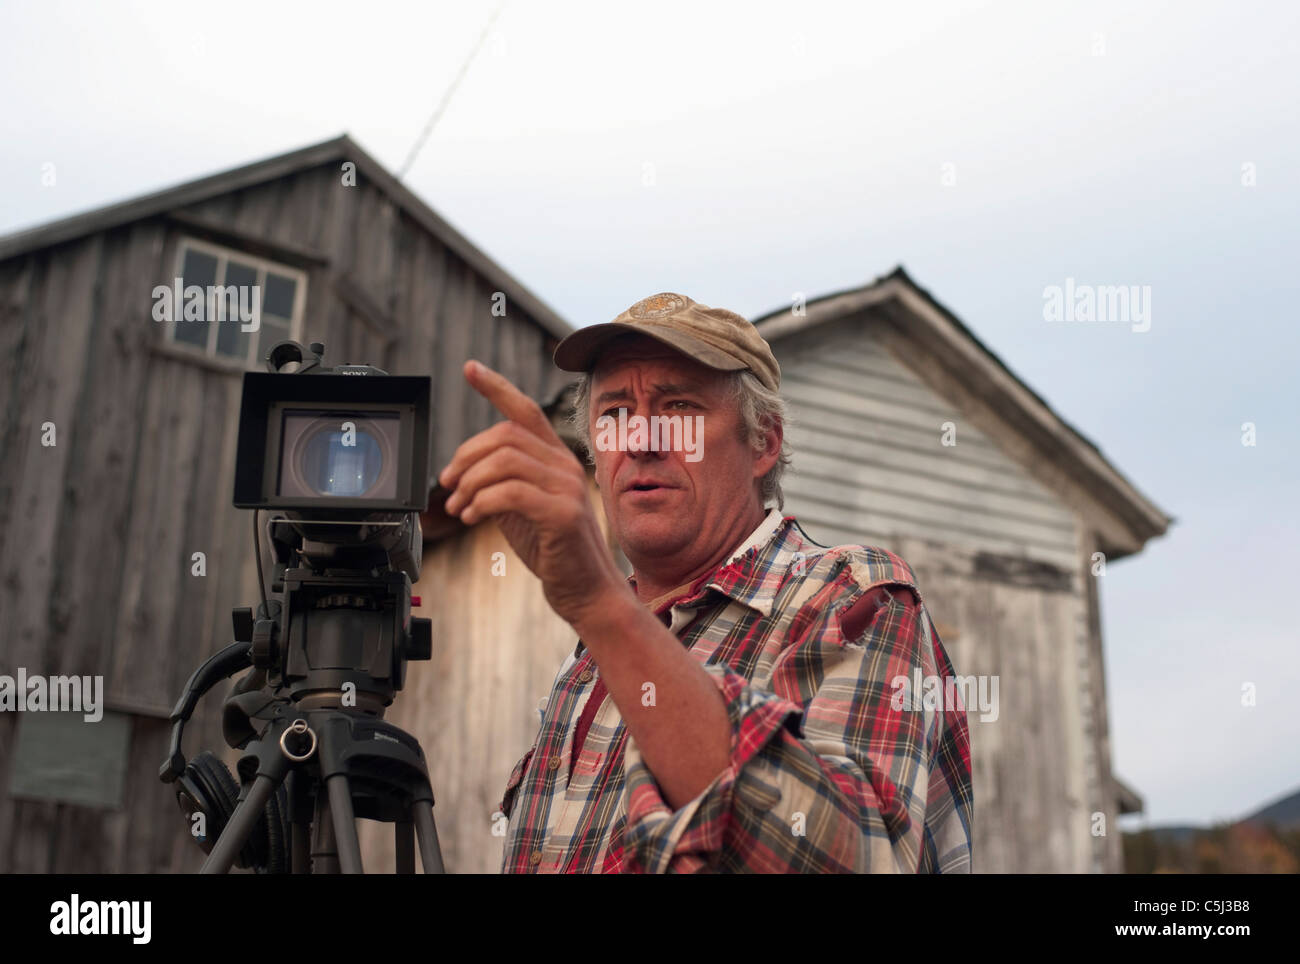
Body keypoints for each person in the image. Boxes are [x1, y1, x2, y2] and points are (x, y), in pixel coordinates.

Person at [437, 291, 972, 873]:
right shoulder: (592, 657)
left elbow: (843, 859)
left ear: (763, 442)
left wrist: (599, 605)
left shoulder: (851, 595)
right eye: (614, 415)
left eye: (680, 409)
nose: (640, 441)